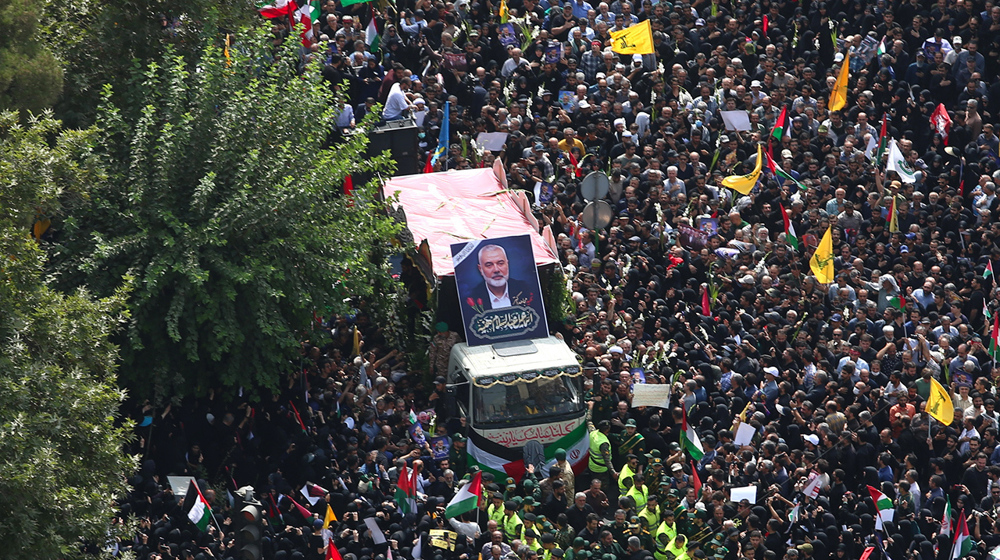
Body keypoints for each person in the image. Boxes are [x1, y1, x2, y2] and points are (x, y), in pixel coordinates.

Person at [468, 244, 535, 309]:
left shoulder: (526, 289)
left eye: (500, 263)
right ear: (481, 269)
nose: (496, 270)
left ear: (507, 264)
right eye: (489, 265)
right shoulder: (472, 298)